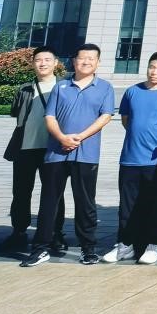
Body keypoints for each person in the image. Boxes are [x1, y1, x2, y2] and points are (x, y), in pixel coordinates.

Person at [22, 44, 115, 268]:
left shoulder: (105, 87)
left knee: (85, 203)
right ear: (74, 61)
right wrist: (62, 138)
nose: (86, 62)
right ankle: (40, 248)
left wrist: (80, 137)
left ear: (98, 62)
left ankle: (88, 249)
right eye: (82, 58)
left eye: (91, 58)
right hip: (56, 153)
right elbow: (50, 117)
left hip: (86, 154)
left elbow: (105, 116)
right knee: (49, 202)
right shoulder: (61, 86)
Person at [104, 50, 157, 265]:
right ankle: (125, 244)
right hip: (130, 157)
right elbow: (126, 120)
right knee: (127, 205)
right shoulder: (132, 92)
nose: (154, 72)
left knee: (154, 204)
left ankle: (153, 244)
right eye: (151, 67)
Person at [0, 47, 65, 257]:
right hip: (25, 147)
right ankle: (19, 232)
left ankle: (55, 234)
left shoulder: (64, 87)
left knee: (54, 194)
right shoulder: (25, 88)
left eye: (47, 59)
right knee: (20, 192)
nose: (42, 63)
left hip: (52, 149)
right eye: (38, 60)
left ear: (56, 63)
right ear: (33, 63)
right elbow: (16, 113)